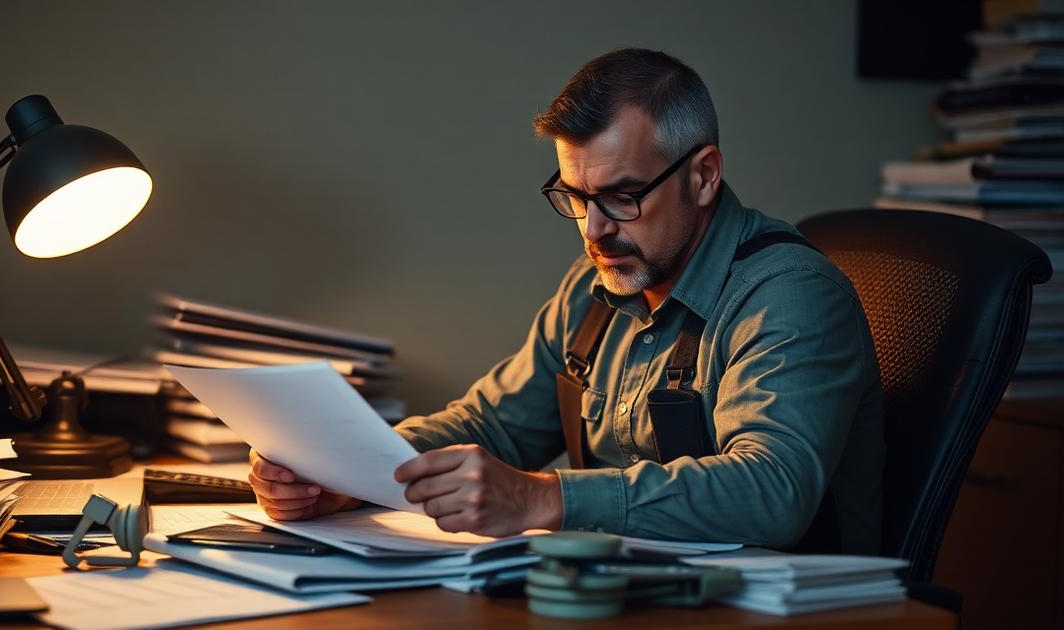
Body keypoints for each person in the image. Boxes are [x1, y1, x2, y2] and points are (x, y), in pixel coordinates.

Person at [248, 48, 884, 553]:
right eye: (576, 197)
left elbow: (773, 489)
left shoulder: (790, 295)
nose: (594, 230)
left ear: (704, 175)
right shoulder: (594, 289)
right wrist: (348, 477)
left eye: (622, 196)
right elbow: (490, 427)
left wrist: (540, 498)